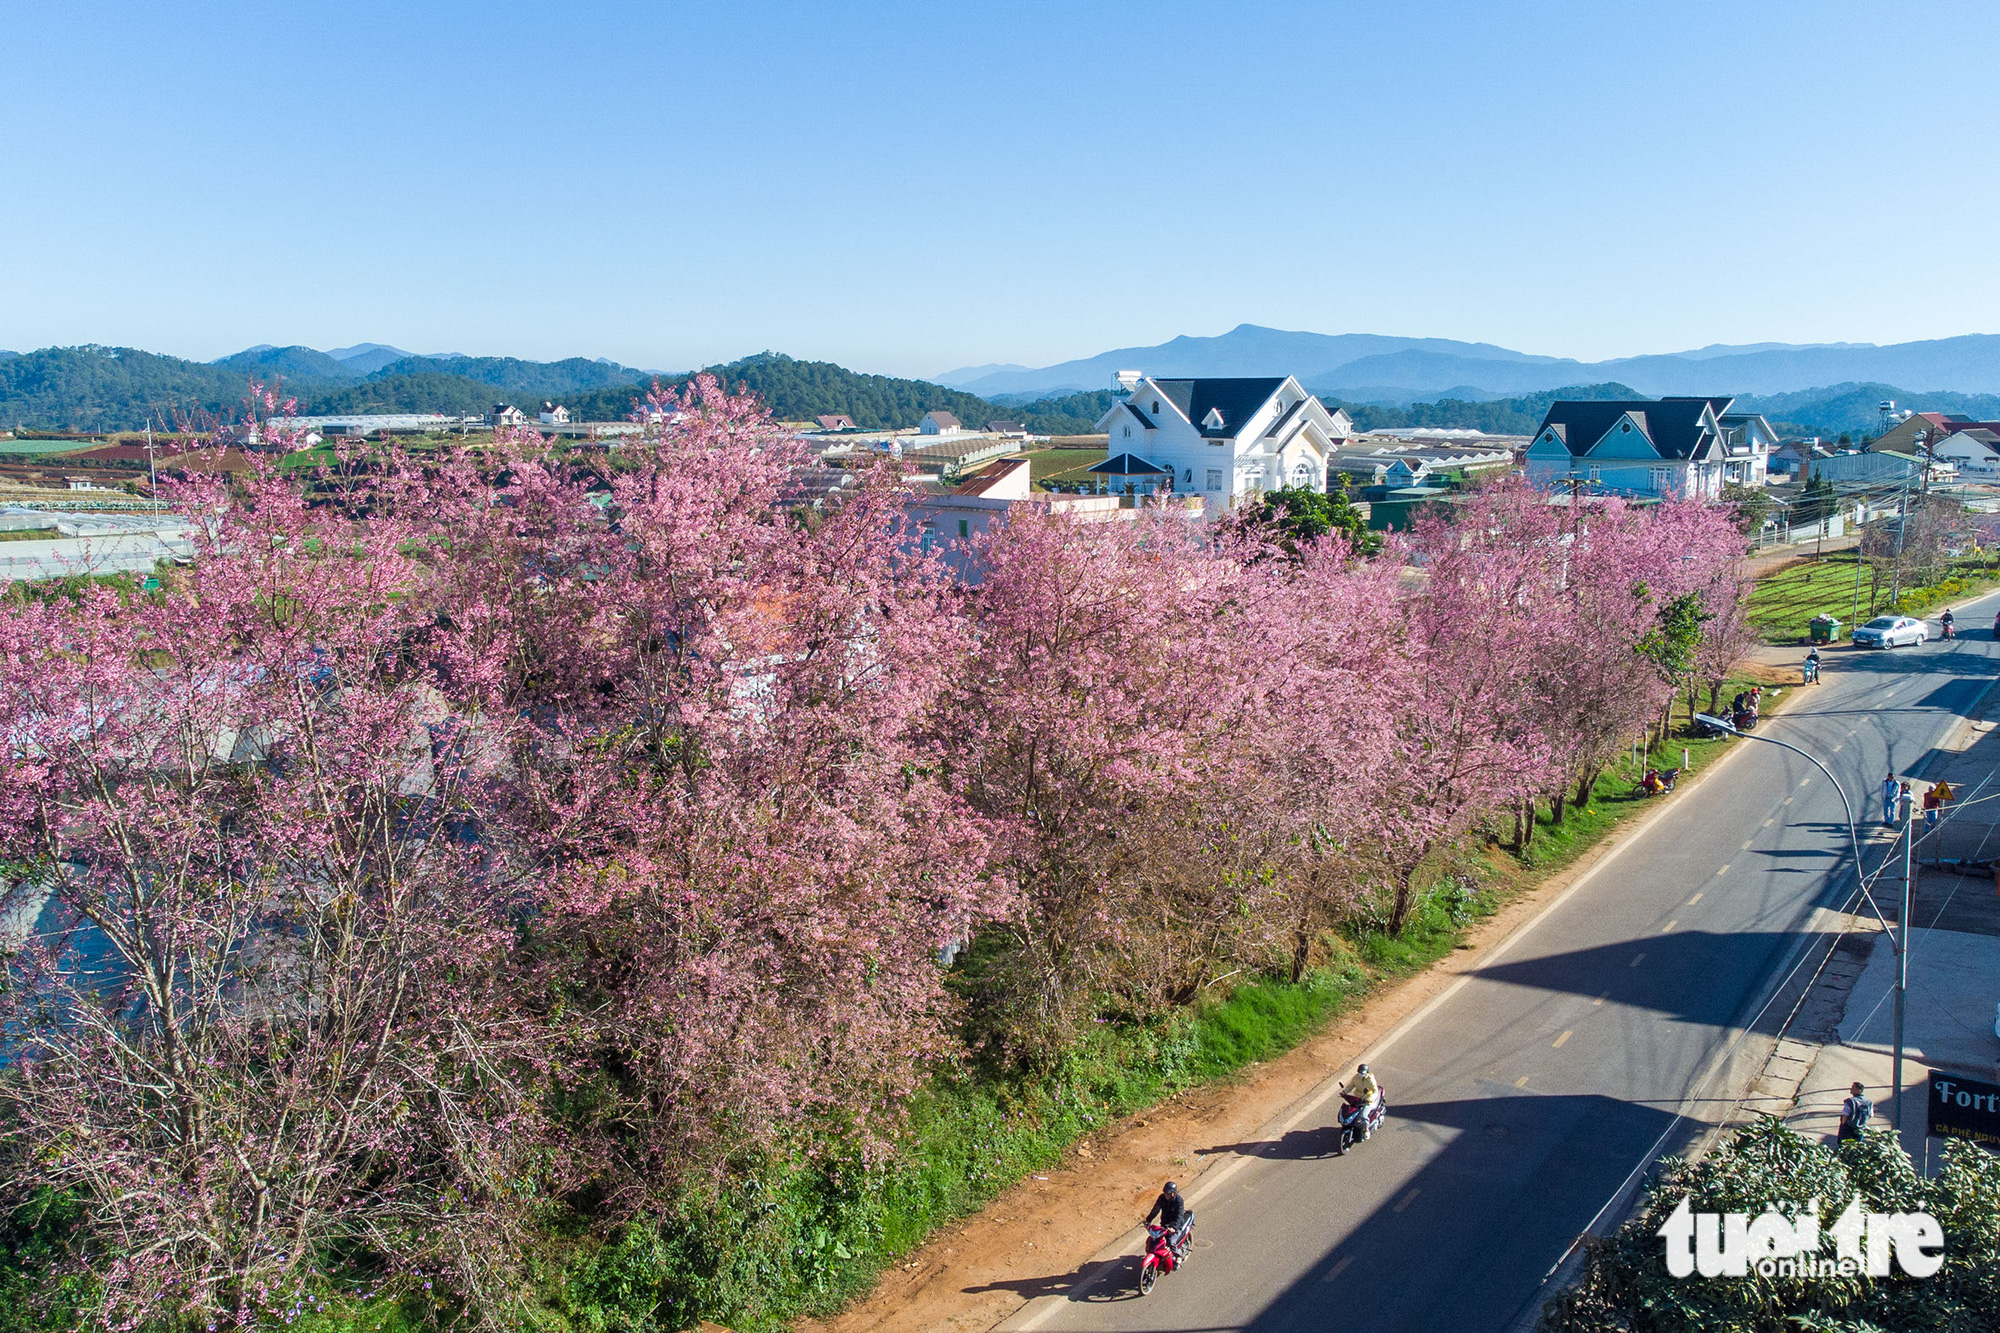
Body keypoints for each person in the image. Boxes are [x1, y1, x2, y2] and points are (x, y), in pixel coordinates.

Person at [1144, 1181, 1193, 1255]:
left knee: (1171, 1242)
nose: (1165, 1195)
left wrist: (1174, 1227)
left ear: (1172, 1194)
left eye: (1167, 1193)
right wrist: (1148, 1220)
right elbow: (1155, 1210)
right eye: (1165, 1193)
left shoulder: (1179, 1201)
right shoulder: (1162, 1198)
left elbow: (1179, 1216)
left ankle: (1178, 1257)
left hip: (1176, 1225)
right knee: (1155, 1240)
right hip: (1165, 1223)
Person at [1344, 1063, 1383, 1139]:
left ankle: (1366, 1130)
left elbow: (1375, 1091)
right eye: (1359, 1072)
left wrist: (1369, 1099)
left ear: (1366, 1072)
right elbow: (1351, 1086)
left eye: (1362, 1073)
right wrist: (1344, 1092)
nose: (1361, 1074)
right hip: (1358, 1099)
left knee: (1363, 1115)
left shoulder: (1370, 1080)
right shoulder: (1356, 1078)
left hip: (1367, 1101)